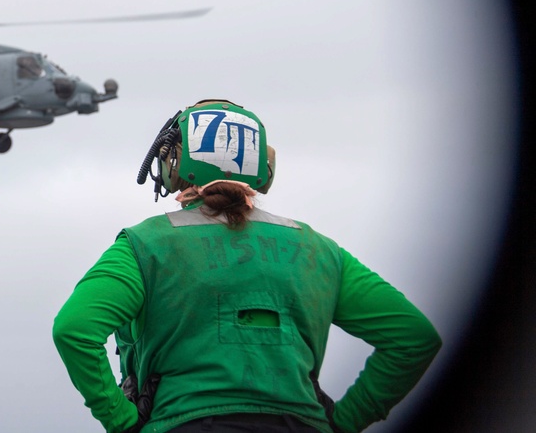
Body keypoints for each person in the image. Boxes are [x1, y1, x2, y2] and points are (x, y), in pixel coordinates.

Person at [52, 99, 441, 433]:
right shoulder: (319, 249)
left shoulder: (143, 245)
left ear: (175, 163)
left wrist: (123, 422)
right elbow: (413, 337)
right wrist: (343, 422)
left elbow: (75, 328)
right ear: (264, 168)